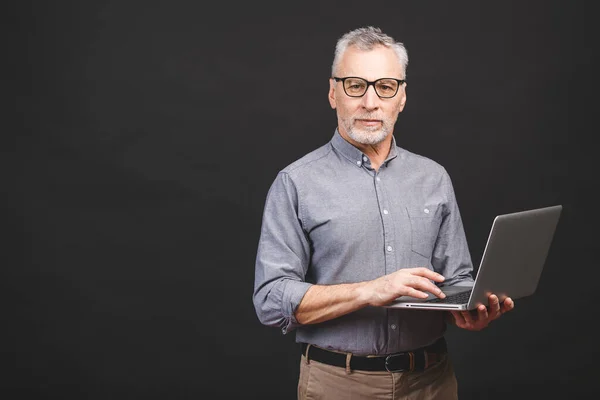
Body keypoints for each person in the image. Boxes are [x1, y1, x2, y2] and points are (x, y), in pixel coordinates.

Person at [252, 26, 514, 400]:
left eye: (385, 86)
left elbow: (456, 278)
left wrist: (471, 310)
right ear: (333, 93)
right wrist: (370, 291)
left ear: (402, 97)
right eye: (355, 85)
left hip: (432, 382)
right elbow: (271, 300)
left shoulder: (433, 177)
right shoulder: (295, 183)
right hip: (339, 385)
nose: (370, 102)